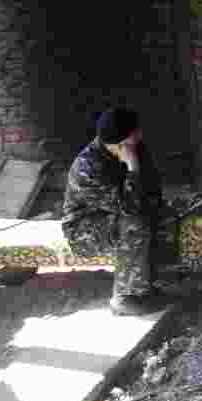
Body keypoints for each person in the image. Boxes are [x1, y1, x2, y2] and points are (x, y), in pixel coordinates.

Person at [61, 106, 166, 316]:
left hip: (117, 214)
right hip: (84, 227)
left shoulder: (136, 148)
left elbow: (153, 189)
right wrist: (133, 168)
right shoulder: (88, 166)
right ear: (123, 141)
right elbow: (127, 208)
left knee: (162, 218)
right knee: (134, 225)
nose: (141, 134)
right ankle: (125, 297)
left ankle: (145, 285)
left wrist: (156, 208)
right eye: (136, 132)